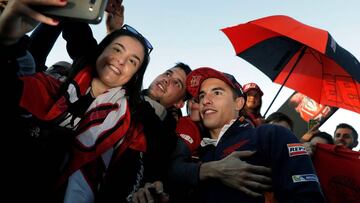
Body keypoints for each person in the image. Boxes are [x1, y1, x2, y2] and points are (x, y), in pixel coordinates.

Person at [0, 1, 153, 202]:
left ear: (135, 76)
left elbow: (125, 182)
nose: (121, 61)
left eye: (133, 61)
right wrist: (5, 39)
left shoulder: (130, 128)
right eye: (117, 49)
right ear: (100, 50)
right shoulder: (53, 86)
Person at [181, 67, 325, 202]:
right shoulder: (194, 149)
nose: (205, 101)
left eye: (217, 92)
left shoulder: (271, 134)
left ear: (238, 103)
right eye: (202, 95)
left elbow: (307, 195)